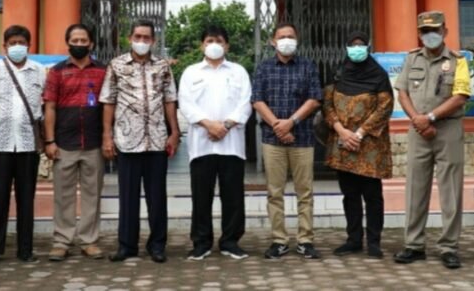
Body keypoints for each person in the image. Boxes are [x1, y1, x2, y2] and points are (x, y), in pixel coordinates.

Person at [393, 11, 471, 270]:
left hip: (448, 130)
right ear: (419, 34)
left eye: (435, 30)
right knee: (415, 188)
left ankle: (449, 247)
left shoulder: (458, 61)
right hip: (418, 130)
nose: (430, 35)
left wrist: (430, 118)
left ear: (445, 31)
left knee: (451, 191)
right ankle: (414, 245)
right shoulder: (411, 59)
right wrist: (418, 120)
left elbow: (460, 96)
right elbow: (402, 92)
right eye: (425, 31)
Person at [100, 19, 180, 263]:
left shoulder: (163, 66)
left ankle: (157, 245)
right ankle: (127, 245)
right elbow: (109, 100)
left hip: (156, 141)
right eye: (138, 37)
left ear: (153, 41)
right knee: (128, 197)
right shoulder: (116, 65)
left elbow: (169, 100)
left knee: (157, 197)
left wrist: (174, 132)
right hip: (127, 140)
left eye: (146, 37)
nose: (142, 41)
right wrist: (107, 135)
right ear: (130, 38)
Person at [178, 25, 252, 261]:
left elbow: (246, 103)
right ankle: (201, 243)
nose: (214, 45)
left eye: (219, 41)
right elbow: (185, 103)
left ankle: (231, 242)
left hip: (232, 144)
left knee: (233, 197)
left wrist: (225, 126)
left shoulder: (238, 71)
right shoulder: (191, 72)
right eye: (210, 40)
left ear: (227, 46)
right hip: (201, 145)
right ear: (202, 45)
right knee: (201, 196)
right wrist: (209, 125)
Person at [0, 25, 46, 267]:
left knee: (26, 199)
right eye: (13, 43)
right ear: (4, 46)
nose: (17, 47)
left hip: (28, 145)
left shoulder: (39, 71)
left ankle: (25, 249)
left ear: (29, 45)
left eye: (21, 43)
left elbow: (45, 104)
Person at [251, 22, 323, 260]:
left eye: (290, 36)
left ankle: (305, 240)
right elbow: (257, 100)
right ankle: (279, 240)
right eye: (281, 37)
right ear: (273, 42)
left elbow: (315, 99)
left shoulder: (308, 66)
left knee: (305, 192)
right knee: (275, 192)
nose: (286, 40)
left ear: (297, 39)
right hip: (272, 140)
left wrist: (291, 122)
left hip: (303, 138)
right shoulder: (264, 68)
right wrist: (278, 126)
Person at [323, 31, 393, 259]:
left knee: (372, 196)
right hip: (344, 144)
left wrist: (360, 133)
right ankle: (353, 240)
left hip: (370, 146)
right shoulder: (338, 72)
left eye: (361, 44)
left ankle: (374, 242)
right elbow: (327, 105)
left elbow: (385, 107)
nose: (356, 48)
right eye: (352, 44)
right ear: (346, 47)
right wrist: (342, 131)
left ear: (368, 47)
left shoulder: (378, 75)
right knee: (350, 194)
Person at [43, 24, 108, 261]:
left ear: (91, 44)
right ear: (68, 43)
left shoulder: (103, 71)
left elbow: (109, 105)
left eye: (83, 41)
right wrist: (49, 140)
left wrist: (108, 137)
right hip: (64, 142)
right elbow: (50, 107)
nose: (79, 44)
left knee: (93, 194)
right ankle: (62, 241)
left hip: (93, 142)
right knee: (63, 195)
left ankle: (89, 241)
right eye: (75, 41)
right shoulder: (57, 72)